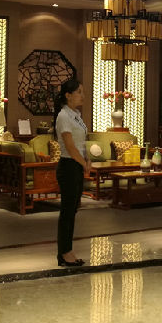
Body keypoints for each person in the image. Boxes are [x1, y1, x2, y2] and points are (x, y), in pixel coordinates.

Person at [53, 78, 90, 267]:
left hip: (76, 166)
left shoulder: (76, 115)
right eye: (79, 92)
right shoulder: (63, 116)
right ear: (68, 95)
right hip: (68, 166)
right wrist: (83, 163)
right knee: (67, 212)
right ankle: (64, 252)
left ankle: (68, 250)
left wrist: (86, 159)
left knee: (73, 210)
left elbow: (81, 142)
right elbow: (69, 145)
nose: (82, 96)